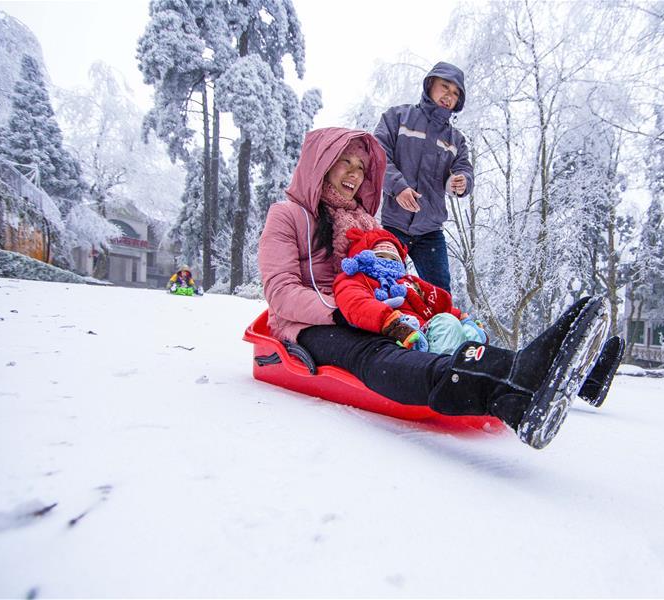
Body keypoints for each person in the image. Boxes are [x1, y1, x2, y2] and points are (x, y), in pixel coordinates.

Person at [258, 127, 624, 449]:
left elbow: (388, 277)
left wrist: (412, 305)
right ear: (321, 163)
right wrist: (344, 313)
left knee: (440, 329)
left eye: (361, 167)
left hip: (368, 306)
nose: (355, 174)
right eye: (346, 162)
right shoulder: (288, 215)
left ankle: (570, 377)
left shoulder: (364, 222)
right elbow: (280, 292)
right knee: (377, 354)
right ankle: (507, 394)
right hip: (312, 324)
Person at [373, 61, 473, 294]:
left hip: (430, 231)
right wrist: (398, 188)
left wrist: (460, 182)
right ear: (430, 85)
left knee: (440, 294)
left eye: (455, 93)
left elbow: (463, 169)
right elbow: (378, 156)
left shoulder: (456, 140)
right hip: (392, 224)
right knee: (382, 284)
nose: (449, 96)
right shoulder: (398, 117)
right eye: (445, 86)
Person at [333, 226, 487, 355]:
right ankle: (449, 370)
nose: (388, 261)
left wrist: (461, 318)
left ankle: (475, 369)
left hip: (426, 330)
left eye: (394, 258)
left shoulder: (408, 282)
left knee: (468, 332)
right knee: (446, 324)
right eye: (380, 255)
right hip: (401, 336)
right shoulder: (357, 279)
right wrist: (392, 324)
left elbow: (432, 305)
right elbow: (356, 303)